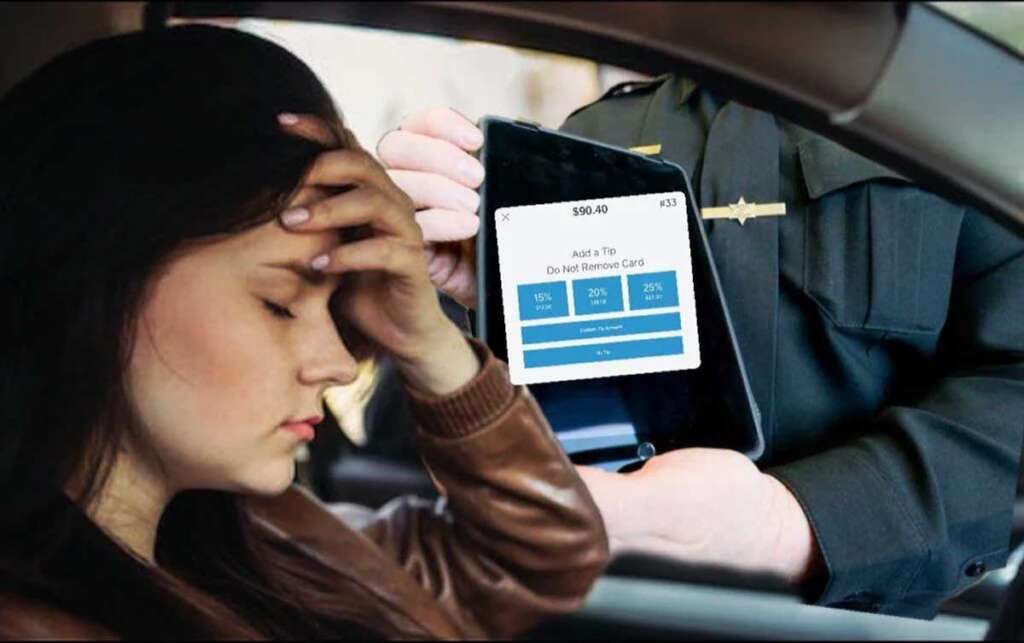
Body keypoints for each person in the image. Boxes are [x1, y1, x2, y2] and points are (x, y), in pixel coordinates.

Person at [0, 25, 608, 639]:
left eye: (335, 302)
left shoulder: (274, 539)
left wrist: (425, 336)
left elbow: (539, 564)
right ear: (91, 280)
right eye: (280, 303)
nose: (340, 364)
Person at [372, 75, 1024, 618]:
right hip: (607, 610)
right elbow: (447, 449)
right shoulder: (586, 140)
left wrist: (791, 524)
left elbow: (1012, 387)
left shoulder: (957, 130)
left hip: (878, 621)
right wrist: (477, 302)